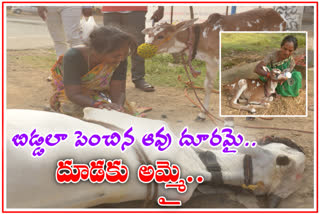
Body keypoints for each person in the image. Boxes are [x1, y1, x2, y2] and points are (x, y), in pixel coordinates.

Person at [49, 26, 137, 117]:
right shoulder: (73, 57)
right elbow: (73, 94)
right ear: (97, 52)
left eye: (125, 54)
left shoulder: (119, 59)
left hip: (98, 92)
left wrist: (118, 107)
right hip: (73, 94)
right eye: (116, 56)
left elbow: (119, 91)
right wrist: (98, 105)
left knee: (122, 114)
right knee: (74, 112)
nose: (122, 59)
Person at [101, 6, 164, 92]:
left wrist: (161, 6)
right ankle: (111, 79)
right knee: (112, 45)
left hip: (135, 8)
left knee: (137, 44)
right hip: (110, 8)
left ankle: (138, 78)